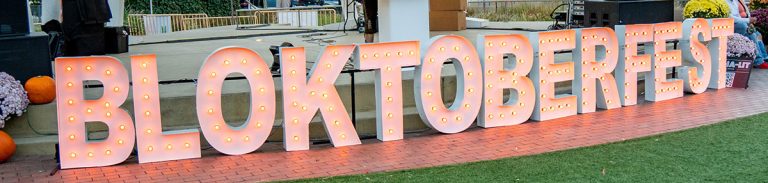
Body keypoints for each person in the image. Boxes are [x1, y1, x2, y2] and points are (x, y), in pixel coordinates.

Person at [726, 0, 768, 68]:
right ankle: (758, 61)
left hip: (740, 23)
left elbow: (740, 15)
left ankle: (764, 57)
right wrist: (748, 20)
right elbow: (731, 18)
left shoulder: (735, 1)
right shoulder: (724, 2)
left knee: (757, 34)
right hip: (730, 25)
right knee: (749, 31)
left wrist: (749, 23)